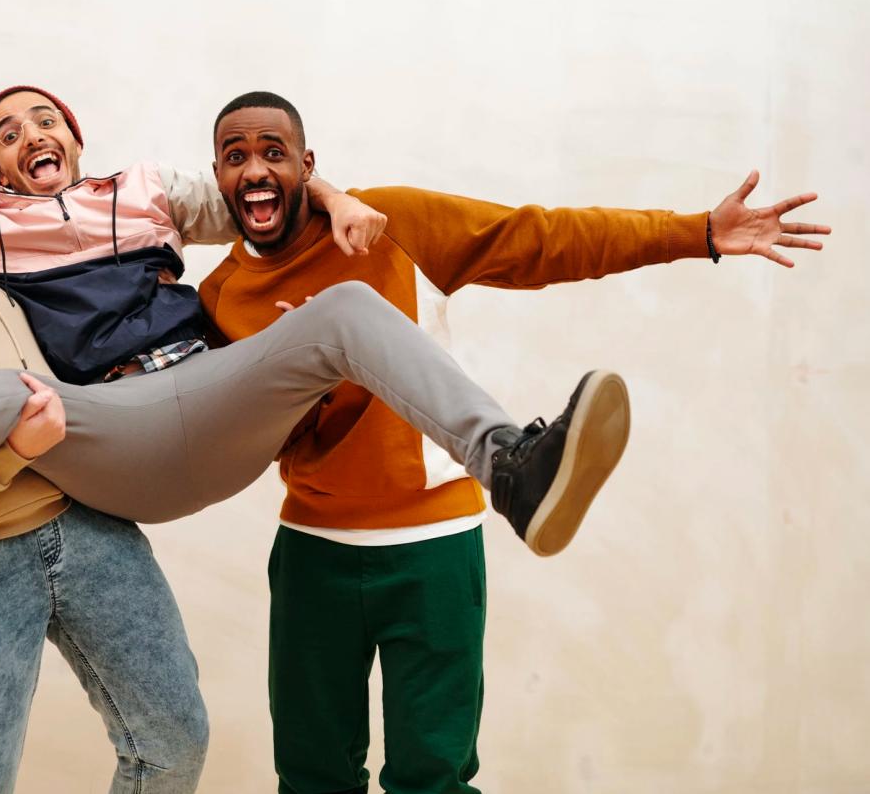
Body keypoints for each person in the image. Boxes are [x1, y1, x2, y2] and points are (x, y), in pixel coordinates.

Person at [0, 92, 637, 793]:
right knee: (15, 392)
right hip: (80, 449)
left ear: (76, 137)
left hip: (170, 431)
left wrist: (332, 192)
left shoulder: (116, 201)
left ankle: (511, 466)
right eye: (4, 132)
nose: (29, 135)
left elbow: (264, 187)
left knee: (346, 310)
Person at [197, 91, 829, 794]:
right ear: (217, 177)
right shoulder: (220, 297)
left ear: (307, 165)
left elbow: (541, 238)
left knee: (433, 779)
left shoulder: (393, 225)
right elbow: (237, 439)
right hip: (312, 553)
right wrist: (296, 375)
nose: (256, 168)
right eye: (235, 156)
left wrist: (697, 233)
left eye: (274, 152)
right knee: (310, 778)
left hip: (434, 550)